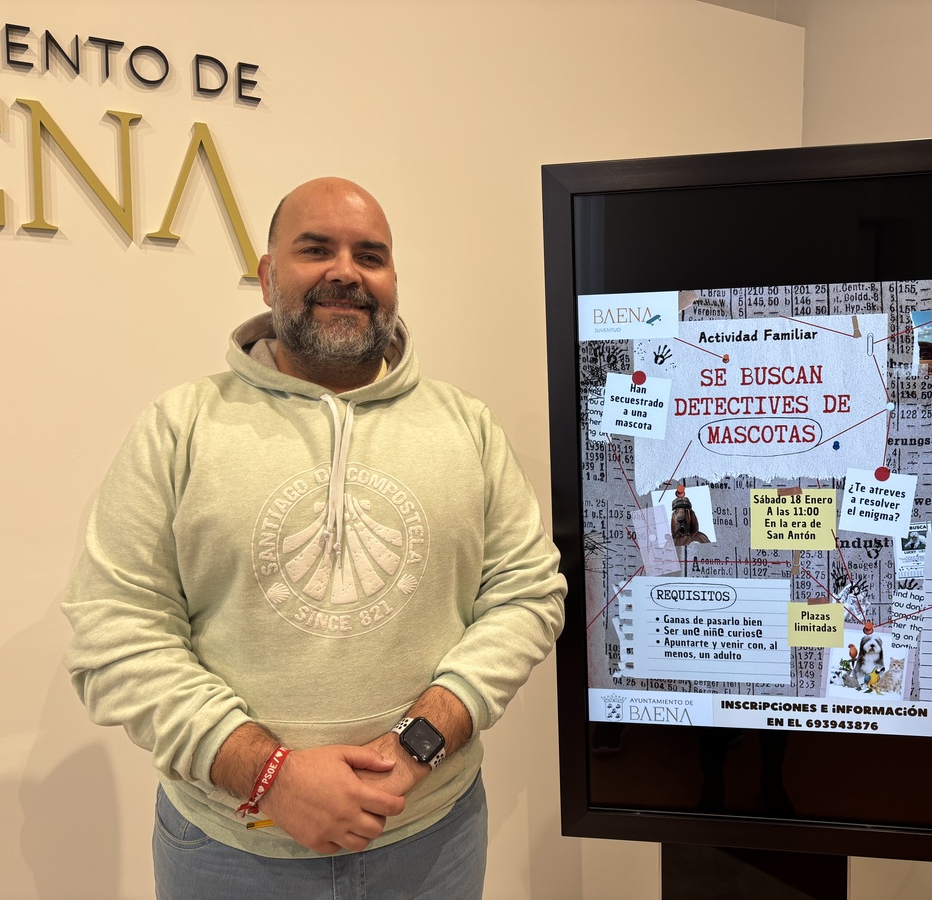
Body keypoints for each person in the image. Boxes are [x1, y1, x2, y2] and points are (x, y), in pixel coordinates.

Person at [61, 177, 567, 899]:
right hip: (229, 852)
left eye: (371, 256)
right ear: (269, 276)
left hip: (434, 841)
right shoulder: (180, 427)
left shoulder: (467, 427)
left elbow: (527, 594)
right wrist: (272, 777)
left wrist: (416, 745)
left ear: (393, 282)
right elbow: (115, 631)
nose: (346, 272)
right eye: (315, 249)